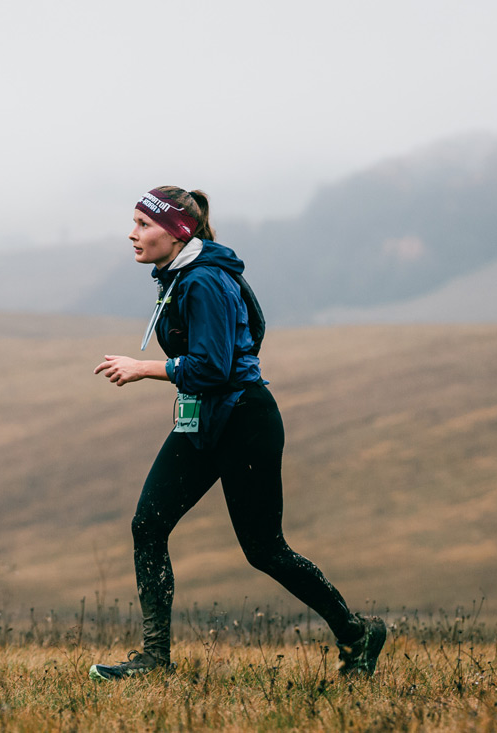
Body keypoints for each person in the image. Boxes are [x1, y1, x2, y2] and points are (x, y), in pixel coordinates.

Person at [89, 186, 386, 681]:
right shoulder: (180, 277)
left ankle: (357, 633)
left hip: (245, 422)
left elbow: (212, 366)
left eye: (143, 224)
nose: (132, 233)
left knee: (265, 550)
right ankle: (154, 659)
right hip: (204, 422)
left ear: (177, 231)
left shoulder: (204, 281)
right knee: (148, 525)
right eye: (134, 223)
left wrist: (145, 368)